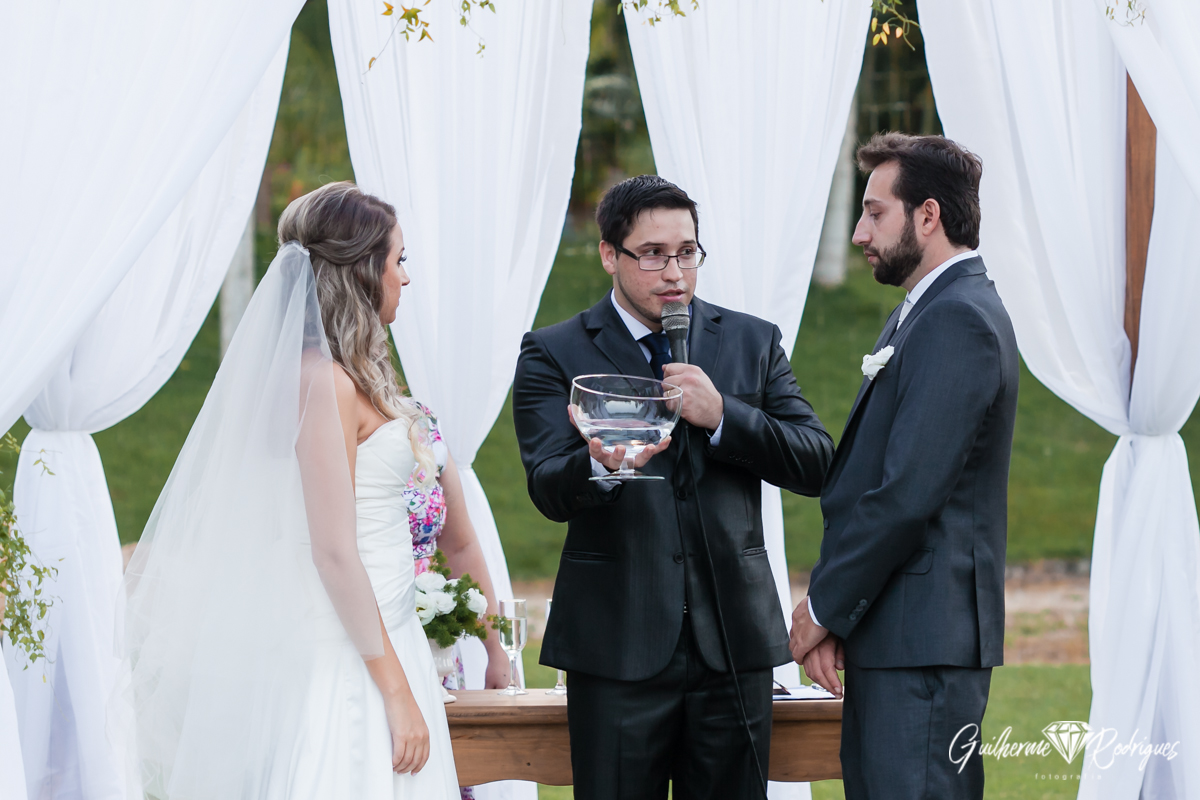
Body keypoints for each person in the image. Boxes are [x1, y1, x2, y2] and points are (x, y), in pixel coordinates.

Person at [122, 182, 460, 798]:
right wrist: (395, 692)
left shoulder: (341, 373)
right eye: (399, 259)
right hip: (350, 657)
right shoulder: (323, 381)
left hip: (388, 632)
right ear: (362, 271)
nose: (405, 277)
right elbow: (332, 551)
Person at [512, 175, 834, 800]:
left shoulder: (752, 340)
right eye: (652, 254)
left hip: (733, 644)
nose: (674, 273)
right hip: (615, 646)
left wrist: (724, 416)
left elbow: (817, 461)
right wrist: (600, 466)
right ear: (609, 255)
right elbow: (547, 486)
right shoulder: (554, 352)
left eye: (687, 252)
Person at [789, 133, 1019, 800]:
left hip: (924, 643)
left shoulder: (958, 319)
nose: (860, 233)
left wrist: (825, 607)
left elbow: (907, 494)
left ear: (928, 215)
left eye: (874, 212)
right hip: (896, 634)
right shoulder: (921, 313)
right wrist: (846, 619)